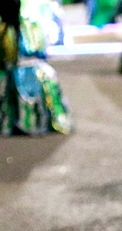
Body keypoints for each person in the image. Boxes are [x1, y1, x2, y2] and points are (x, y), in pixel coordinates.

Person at [1, 0, 72, 135]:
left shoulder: (12, 25)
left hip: (22, 69)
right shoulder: (29, 20)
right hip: (34, 68)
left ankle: (25, 121)